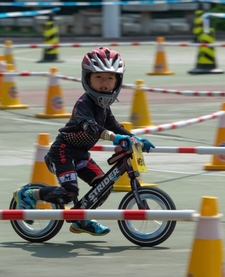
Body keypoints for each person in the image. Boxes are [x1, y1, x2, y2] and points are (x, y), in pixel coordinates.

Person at [13, 47, 155, 236]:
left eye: (110, 78)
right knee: (69, 193)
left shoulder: (104, 107)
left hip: (80, 155)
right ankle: (29, 194)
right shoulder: (84, 104)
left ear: (118, 81)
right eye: (99, 77)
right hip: (63, 152)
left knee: (103, 187)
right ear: (87, 79)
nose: (104, 83)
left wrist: (133, 138)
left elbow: (114, 125)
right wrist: (114, 138)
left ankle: (81, 220)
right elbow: (90, 126)